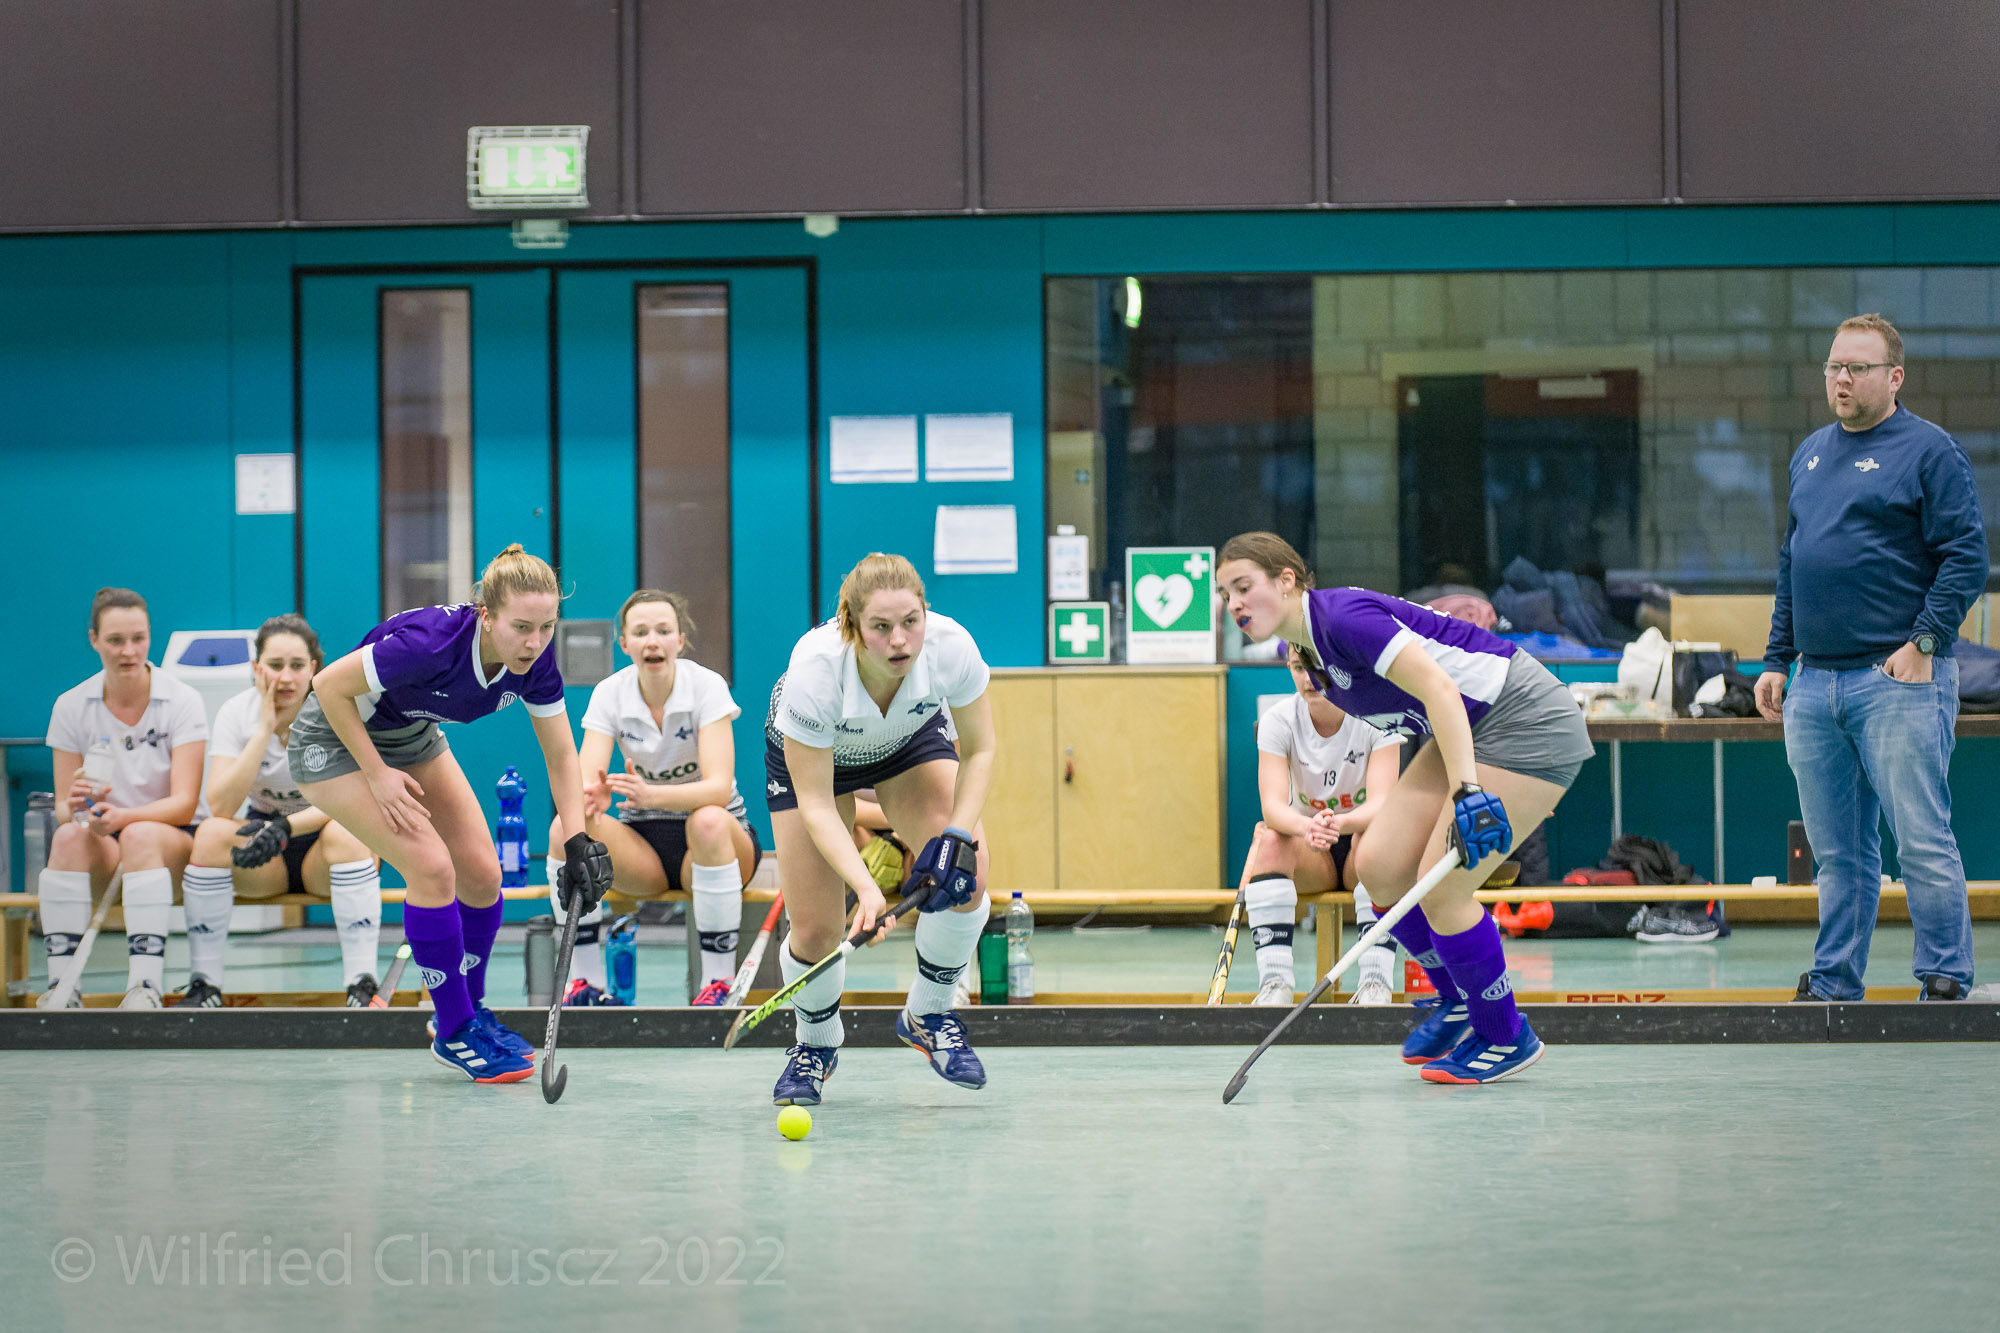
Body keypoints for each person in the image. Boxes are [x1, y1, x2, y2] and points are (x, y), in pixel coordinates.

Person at [1219, 533, 1594, 1084]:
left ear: (1286, 581)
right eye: (1225, 594)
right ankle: (1457, 999)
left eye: (1243, 587)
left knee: (1442, 891)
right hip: (1466, 728)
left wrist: (1468, 793)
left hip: (1522, 719)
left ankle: (1505, 1034)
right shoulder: (1311, 653)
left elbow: (1440, 689)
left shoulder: (1343, 619)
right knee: (1380, 866)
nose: (1234, 604)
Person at [290, 545, 611, 1083]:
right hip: (334, 741)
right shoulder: (430, 644)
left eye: (547, 628)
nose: (533, 643)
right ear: (486, 615)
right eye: (521, 627)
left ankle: (469, 1010)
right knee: (432, 868)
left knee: (482, 875)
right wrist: (377, 774)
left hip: (411, 735)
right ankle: (455, 1028)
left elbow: (561, 755)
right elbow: (327, 687)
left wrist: (576, 839)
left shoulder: (536, 661)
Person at [1755, 313, 1987, 1002]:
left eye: (1858, 367)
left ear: (1894, 377)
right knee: (1837, 853)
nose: (1842, 379)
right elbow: (1793, 562)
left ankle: (1944, 976)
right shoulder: (1809, 454)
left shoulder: (1930, 451)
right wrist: (1776, 659)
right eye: (1834, 366)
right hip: (1814, 684)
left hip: (1898, 681)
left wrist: (1925, 643)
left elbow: (1967, 556)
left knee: (1921, 840)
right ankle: (1834, 980)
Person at [763, 553, 996, 1106]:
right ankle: (815, 1045)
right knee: (817, 931)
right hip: (816, 763)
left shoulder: (952, 647)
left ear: (925, 613)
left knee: (969, 877)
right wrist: (866, 889)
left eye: (911, 621)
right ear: (851, 625)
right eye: (881, 626)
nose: (899, 641)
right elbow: (817, 802)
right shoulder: (815, 671)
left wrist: (955, 837)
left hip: (906, 744)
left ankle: (929, 1015)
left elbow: (981, 750)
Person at [551, 589, 760, 1007]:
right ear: (624, 643)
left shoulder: (706, 686)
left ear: (680, 640)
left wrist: (651, 794)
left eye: (664, 631)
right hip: (643, 851)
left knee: (708, 819)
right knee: (565, 828)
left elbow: (718, 789)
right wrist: (594, 794)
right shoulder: (610, 692)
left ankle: (718, 986)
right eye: (641, 632)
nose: (653, 641)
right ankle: (585, 984)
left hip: (717, 845)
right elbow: (585, 783)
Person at [178, 615, 383, 1008]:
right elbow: (220, 806)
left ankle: (361, 982)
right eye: (274, 665)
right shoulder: (236, 713)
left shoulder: (337, 710)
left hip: (325, 849)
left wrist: (287, 826)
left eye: (296, 665)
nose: (285, 677)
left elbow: (355, 799)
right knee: (209, 835)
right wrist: (263, 731)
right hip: (264, 855)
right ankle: (204, 985)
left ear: (314, 669)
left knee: (349, 831)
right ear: (257, 669)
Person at [40, 588, 208, 1008]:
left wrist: (123, 818)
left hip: (170, 844)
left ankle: (145, 987)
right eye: (115, 640)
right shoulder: (70, 706)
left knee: (140, 835)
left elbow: (185, 804)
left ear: (150, 636)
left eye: (138, 638)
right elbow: (64, 809)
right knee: (67, 837)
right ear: (94, 639)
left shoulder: (183, 701)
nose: (128, 651)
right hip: (106, 842)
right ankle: (62, 987)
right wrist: (79, 811)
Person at [1251, 644, 1405, 1006]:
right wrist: (1306, 827)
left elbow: (1383, 804)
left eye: (1317, 667)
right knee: (1271, 839)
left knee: (1380, 839)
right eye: (1298, 668)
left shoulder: (1377, 714)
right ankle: (1275, 986)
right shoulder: (1278, 720)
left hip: (1360, 844)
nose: (1308, 679)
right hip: (1311, 848)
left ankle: (1375, 983)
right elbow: (1272, 807)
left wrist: (1343, 822)